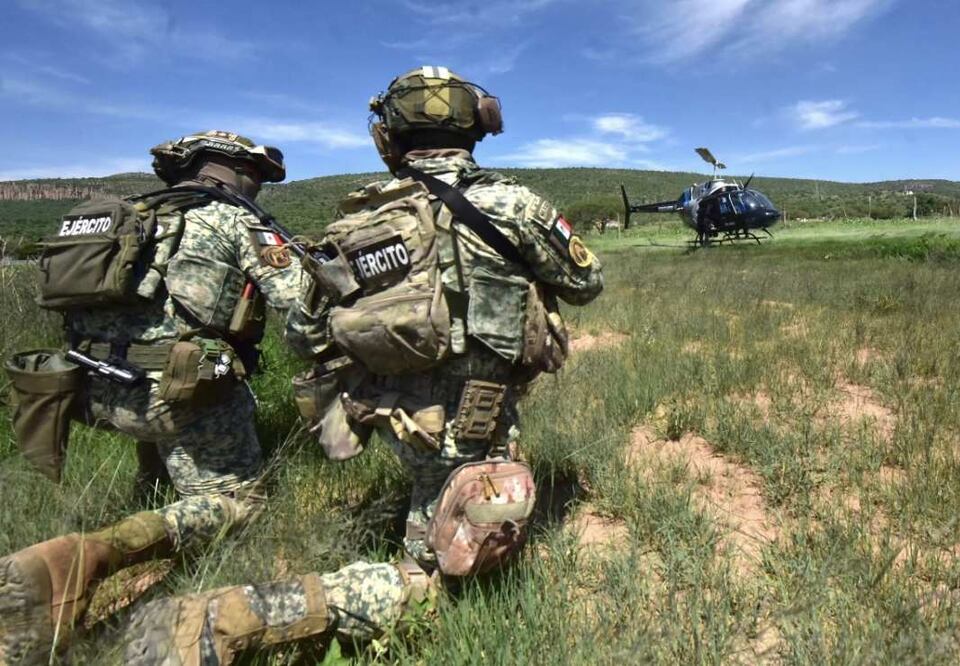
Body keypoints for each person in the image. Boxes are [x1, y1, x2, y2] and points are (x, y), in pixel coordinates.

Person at [121, 67, 604, 665]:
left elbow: (304, 334)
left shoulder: (355, 220)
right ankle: (229, 618)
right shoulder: (513, 203)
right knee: (446, 578)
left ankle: (118, 546)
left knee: (434, 496)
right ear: (476, 128)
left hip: (387, 414)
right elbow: (586, 282)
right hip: (472, 422)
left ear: (388, 137)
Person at [0, 131, 307, 664]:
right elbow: (301, 303)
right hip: (181, 395)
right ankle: (92, 552)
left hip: (94, 390)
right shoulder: (235, 220)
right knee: (243, 506)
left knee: (160, 431)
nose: (257, 186)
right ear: (235, 171)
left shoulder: (127, 215)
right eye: (255, 176)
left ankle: (153, 488)